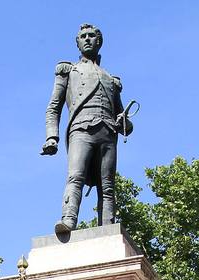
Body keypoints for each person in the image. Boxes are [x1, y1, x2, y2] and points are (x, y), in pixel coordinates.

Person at [42, 23, 133, 234]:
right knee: (75, 176)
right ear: (78, 43)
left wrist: (125, 123)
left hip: (108, 133)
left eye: (92, 36)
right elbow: (53, 107)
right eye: (83, 36)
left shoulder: (112, 80)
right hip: (81, 129)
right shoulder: (68, 71)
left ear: (99, 42)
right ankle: (68, 221)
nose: (87, 39)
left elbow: (124, 121)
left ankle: (108, 228)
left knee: (108, 186)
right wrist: (51, 136)